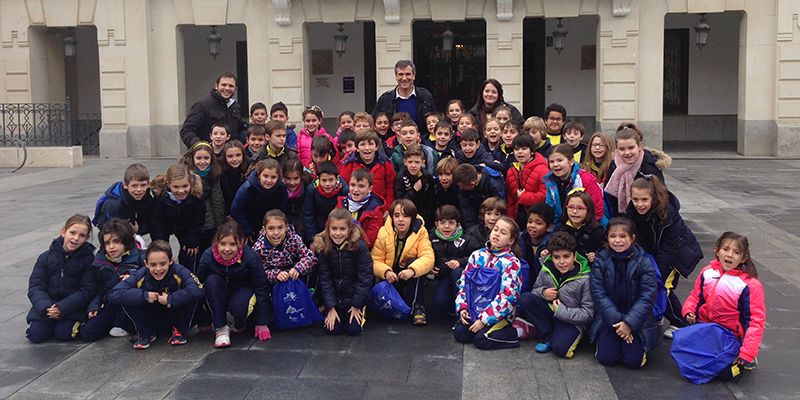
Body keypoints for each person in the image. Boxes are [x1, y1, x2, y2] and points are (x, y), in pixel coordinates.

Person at [681, 232, 765, 380]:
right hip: (705, 328)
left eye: (736, 252)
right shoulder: (707, 272)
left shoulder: (750, 285)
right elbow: (696, 296)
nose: (730, 255)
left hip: (730, 335)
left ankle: (740, 357)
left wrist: (747, 352)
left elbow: (754, 321)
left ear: (744, 258)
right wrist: (689, 311)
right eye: (725, 249)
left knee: (724, 373)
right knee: (687, 359)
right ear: (717, 250)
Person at [626, 176, 703, 337]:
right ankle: (658, 313)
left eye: (644, 200)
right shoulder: (632, 210)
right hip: (654, 252)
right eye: (635, 199)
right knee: (651, 282)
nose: (639, 204)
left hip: (677, 255)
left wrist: (656, 272)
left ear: (653, 198)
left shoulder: (667, 213)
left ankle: (679, 322)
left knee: (661, 287)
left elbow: (670, 248)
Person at [589, 217, 660, 369]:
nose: (617, 241)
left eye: (623, 236)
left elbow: (647, 296)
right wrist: (618, 323)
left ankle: (635, 341)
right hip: (609, 319)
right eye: (613, 236)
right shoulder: (600, 260)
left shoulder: (644, 262)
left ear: (632, 238)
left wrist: (629, 323)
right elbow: (598, 293)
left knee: (633, 361)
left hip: (636, 320)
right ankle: (608, 338)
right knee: (607, 358)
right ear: (607, 238)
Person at [109, 240, 205, 349]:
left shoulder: (180, 271)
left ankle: (180, 331)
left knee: (193, 297)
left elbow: (199, 289)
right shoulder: (141, 273)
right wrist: (145, 296)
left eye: (163, 263)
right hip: (151, 316)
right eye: (153, 265)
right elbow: (114, 294)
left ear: (171, 260)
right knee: (127, 298)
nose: (158, 269)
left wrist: (171, 299)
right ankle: (145, 333)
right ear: (146, 264)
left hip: (174, 314)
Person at [515, 231, 594, 358]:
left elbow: (588, 314)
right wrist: (543, 293)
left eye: (566, 256)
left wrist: (561, 311)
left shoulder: (585, 278)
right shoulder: (547, 269)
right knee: (525, 299)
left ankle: (554, 336)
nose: (561, 262)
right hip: (550, 313)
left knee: (561, 350)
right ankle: (548, 335)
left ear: (574, 256)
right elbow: (535, 290)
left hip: (571, 321)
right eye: (556, 257)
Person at [197, 221, 272, 347]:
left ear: (241, 243)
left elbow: (261, 288)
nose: (227, 249)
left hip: (242, 291)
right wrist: (202, 319)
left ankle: (240, 322)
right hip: (218, 292)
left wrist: (261, 322)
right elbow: (197, 286)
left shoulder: (251, 258)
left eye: (232, 244)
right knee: (211, 281)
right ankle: (221, 328)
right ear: (216, 243)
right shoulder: (207, 256)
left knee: (240, 305)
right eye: (223, 244)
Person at [454, 216, 522, 350]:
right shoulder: (477, 255)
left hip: (499, 314)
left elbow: (508, 297)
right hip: (475, 309)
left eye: (503, 232)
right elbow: (464, 284)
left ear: (511, 240)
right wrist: (462, 308)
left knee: (482, 340)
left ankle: (518, 332)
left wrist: (484, 319)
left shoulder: (511, 263)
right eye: (495, 229)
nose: (497, 234)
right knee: (460, 333)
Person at [26, 215, 96, 343]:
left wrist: (62, 307)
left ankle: (72, 324)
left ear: (86, 239)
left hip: (72, 308)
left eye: (81, 235)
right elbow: (36, 286)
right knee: (35, 335)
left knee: (64, 334)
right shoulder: (46, 257)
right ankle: (47, 323)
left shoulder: (89, 260)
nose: (75, 238)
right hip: (46, 307)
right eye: (72, 233)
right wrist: (46, 306)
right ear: (63, 231)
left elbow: (87, 290)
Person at [371, 199, 435, 326]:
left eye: (405, 216)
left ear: (412, 218)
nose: (401, 219)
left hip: (408, 276)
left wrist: (412, 270)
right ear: (392, 217)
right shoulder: (383, 232)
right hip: (390, 276)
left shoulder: (421, 232)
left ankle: (419, 307)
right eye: (397, 215)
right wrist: (386, 271)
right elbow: (375, 259)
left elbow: (428, 257)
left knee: (415, 262)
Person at [80, 218, 143, 341]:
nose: (112, 247)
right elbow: (98, 288)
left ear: (126, 242)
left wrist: (134, 278)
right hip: (111, 303)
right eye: (107, 243)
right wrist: (94, 306)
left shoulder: (140, 257)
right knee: (88, 332)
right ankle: (114, 323)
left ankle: (126, 324)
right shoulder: (99, 262)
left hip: (133, 304)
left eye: (116, 242)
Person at [314, 209, 373, 336]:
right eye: (334, 229)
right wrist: (330, 307)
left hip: (354, 298)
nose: (337, 233)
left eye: (342, 229)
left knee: (353, 330)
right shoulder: (324, 247)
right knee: (332, 330)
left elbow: (365, 278)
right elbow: (325, 278)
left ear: (349, 229)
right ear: (328, 228)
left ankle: (359, 311)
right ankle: (329, 310)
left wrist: (357, 305)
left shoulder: (359, 247)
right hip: (335, 298)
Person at [604, 125, 672, 215]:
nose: (627, 152)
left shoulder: (650, 166)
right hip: (620, 217)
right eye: (622, 149)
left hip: (647, 216)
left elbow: (660, 197)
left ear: (639, 146)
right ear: (616, 149)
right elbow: (609, 196)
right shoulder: (614, 165)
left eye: (631, 148)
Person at [149, 163, 206, 271]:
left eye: (185, 186)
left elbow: (198, 220)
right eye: (176, 187)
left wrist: (192, 240)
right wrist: (161, 245)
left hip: (186, 224)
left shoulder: (197, 195)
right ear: (168, 184)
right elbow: (156, 222)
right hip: (165, 223)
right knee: (161, 253)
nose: (181, 191)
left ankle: (188, 275)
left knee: (190, 252)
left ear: (191, 183)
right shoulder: (160, 195)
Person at [430, 205, 481, 317]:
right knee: (439, 303)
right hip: (443, 276)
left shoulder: (468, 239)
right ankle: (450, 307)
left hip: (463, 278)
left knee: (457, 272)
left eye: (451, 223)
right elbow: (426, 255)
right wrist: (429, 267)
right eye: (443, 222)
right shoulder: (431, 237)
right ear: (436, 224)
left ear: (458, 225)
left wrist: (460, 262)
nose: (447, 226)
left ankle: (462, 309)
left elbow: (479, 257)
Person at [542, 144, 604, 226]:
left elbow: (597, 209)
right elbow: (551, 208)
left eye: (560, 160)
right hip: (563, 225)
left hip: (590, 225)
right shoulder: (550, 182)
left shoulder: (585, 179)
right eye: (552, 162)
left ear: (571, 162)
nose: (555, 164)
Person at [252, 210, 317, 286]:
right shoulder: (259, 248)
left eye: (280, 227)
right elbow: (257, 272)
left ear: (286, 227)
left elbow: (311, 257)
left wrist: (298, 268)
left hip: (295, 279)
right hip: (272, 285)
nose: (276, 233)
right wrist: (275, 274)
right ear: (264, 229)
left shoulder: (294, 239)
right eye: (271, 228)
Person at [181, 142, 225, 255]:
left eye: (206, 158)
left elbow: (217, 201)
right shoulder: (186, 175)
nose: (202, 161)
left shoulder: (214, 174)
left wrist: (219, 226)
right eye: (198, 158)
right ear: (192, 158)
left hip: (209, 221)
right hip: (188, 221)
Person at [180, 72, 245, 147]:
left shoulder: (235, 107)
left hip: (230, 156)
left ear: (235, 89)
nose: (227, 88)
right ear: (216, 86)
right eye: (224, 85)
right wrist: (200, 147)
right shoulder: (202, 105)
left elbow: (240, 129)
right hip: (209, 155)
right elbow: (187, 131)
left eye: (231, 86)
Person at [230, 159, 289, 242]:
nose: (269, 180)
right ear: (259, 175)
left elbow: (282, 210)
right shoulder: (247, 188)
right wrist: (247, 230)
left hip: (273, 228)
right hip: (251, 226)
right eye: (265, 176)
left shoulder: (281, 188)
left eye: (273, 177)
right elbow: (236, 209)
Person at [92, 163, 154, 236]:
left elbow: (150, 219)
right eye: (134, 186)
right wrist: (128, 231)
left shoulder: (146, 196)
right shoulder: (114, 204)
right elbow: (110, 230)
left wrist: (139, 229)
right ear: (125, 185)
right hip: (111, 234)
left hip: (130, 228)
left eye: (143, 185)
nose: (139, 190)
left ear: (148, 184)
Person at [372, 60, 437, 130]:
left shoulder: (425, 96)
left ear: (414, 75)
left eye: (408, 74)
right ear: (396, 76)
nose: (404, 78)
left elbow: (435, 120)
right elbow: (374, 121)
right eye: (400, 74)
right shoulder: (385, 99)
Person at [338, 130, 396, 206]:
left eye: (371, 144)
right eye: (362, 144)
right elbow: (343, 187)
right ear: (357, 148)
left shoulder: (385, 163)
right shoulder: (349, 164)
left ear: (376, 147)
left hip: (380, 207)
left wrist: (388, 208)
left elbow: (390, 187)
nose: (367, 148)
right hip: (355, 206)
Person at [336, 169, 386, 249]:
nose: (356, 190)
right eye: (353, 185)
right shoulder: (341, 204)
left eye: (361, 186)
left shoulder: (374, 211)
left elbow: (369, 240)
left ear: (370, 189)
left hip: (360, 250)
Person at [506, 134, 548, 227]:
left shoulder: (542, 169)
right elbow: (510, 198)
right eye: (516, 149)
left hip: (535, 219)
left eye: (524, 149)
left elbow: (544, 196)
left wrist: (523, 197)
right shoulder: (511, 170)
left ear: (532, 151)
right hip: (516, 219)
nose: (520, 152)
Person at [302, 161, 349, 244]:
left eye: (331, 180)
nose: (327, 184)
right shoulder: (312, 190)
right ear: (318, 179)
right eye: (324, 180)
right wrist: (312, 240)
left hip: (338, 230)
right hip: (318, 228)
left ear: (337, 178)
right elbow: (308, 214)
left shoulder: (344, 190)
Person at [556, 190, 605, 263]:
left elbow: (604, 251)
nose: (574, 211)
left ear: (588, 210)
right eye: (571, 207)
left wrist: (596, 255)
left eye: (580, 208)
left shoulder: (597, 230)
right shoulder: (560, 228)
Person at [394, 144, 436, 229]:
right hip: (407, 216)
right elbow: (400, 201)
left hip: (424, 216)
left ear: (423, 163)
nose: (413, 166)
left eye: (417, 162)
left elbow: (431, 201)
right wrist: (413, 190)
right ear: (405, 162)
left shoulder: (427, 177)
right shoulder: (400, 177)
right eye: (410, 162)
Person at [453, 163, 506, 229]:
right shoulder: (464, 185)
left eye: (462, 187)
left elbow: (500, 209)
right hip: (476, 221)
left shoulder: (494, 186)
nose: (460, 189)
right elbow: (467, 211)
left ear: (472, 184)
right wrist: (472, 231)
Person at [519, 203, 555, 284]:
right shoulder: (520, 239)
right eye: (530, 221)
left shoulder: (552, 245)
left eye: (538, 223)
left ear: (549, 227)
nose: (532, 226)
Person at [220, 140, 249, 215]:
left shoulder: (250, 167)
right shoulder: (220, 170)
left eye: (238, 155)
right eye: (230, 156)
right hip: (227, 210)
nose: (234, 159)